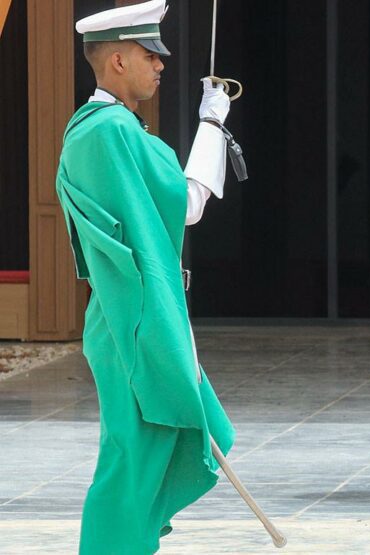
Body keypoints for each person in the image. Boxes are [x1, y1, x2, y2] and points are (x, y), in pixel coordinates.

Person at [55, 1, 236, 552]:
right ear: (115, 61)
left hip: (130, 317)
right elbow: (185, 205)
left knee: (149, 446)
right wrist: (211, 126)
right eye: (148, 54)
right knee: (133, 454)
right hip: (131, 321)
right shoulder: (108, 133)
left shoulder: (110, 130)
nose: (161, 65)